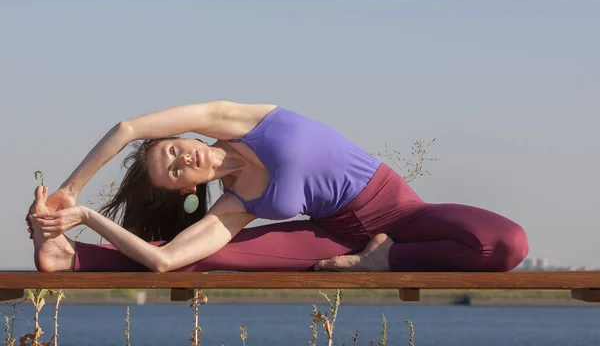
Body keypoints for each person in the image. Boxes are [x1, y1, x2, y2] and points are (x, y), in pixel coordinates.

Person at [27, 101, 529, 273]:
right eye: (174, 172)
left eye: (173, 150)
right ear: (186, 190)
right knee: (205, 255)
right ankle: (70, 257)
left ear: (184, 136)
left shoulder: (238, 119)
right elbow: (166, 261)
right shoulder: (237, 205)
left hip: (401, 212)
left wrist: (69, 191)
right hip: (335, 238)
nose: (181, 160)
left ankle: (387, 259)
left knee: (506, 244)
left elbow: (128, 127)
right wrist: (87, 219)